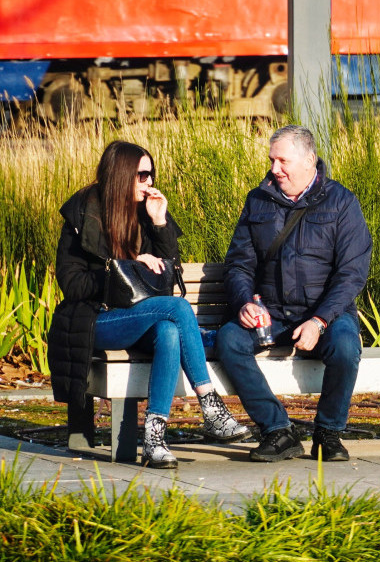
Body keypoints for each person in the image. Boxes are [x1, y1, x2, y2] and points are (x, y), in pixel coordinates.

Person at [50, 140, 249, 468]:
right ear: (121, 174)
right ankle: (211, 408)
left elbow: (168, 274)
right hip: (97, 320)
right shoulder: (82, 213)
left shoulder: (148, 211)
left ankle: (154, 439)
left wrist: (159, 224)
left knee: (169, 331)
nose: (150, 183)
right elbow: (72, 285)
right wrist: (125, 266)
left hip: (141, 316)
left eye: (151, 174)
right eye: (142, 175)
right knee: (179, 309)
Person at [216, 125, 372, 462]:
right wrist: (245, 302)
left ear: (309, 160)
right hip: (272, 312)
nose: (274, 169)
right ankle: (277, 432)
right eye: (272, 160)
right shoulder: (257, 200)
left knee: (346, 347)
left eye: (282, 161)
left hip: (326, 312)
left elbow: (352, 274)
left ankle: (328, 433)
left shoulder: (342, 202)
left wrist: (319, 320)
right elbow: (239, 264)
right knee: (228, 341)